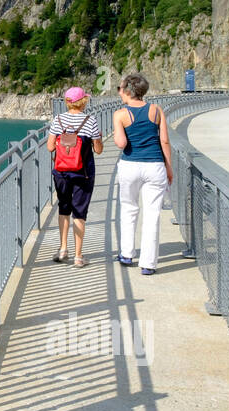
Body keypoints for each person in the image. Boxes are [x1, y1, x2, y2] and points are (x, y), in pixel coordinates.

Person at [111, 73, 173, 275]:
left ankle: (127, 254)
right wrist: (169, 167)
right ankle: (148, 264)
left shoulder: (120, 114)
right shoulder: (156, 111)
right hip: (155, 165)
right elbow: (164, 141)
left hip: (130, 166)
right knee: (152, 214)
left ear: (128, 91)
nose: (119, 93)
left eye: (120, 89)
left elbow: (121, 144)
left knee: (128, 208)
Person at [46, 86, 104, 267]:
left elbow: (50, 147)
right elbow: (98, 150)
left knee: (64, 208)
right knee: (80, 212)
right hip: (83, 173)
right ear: (83, 101)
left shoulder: (58, 120)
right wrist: (98, 138)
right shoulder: (90, 121)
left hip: (62, 173)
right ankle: (78, 256)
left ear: (67, 102)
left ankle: (63, 249)